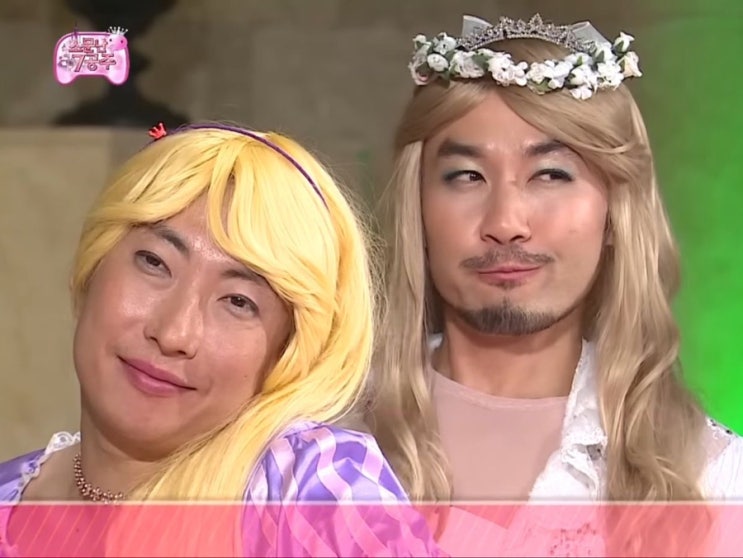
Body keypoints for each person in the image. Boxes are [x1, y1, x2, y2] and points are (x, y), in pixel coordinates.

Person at [366, 13, 743, 555]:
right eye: (467, 176)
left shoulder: (708, 479)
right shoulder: (327, 441)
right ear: (418, 209)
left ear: (614, 212)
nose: (505, 222)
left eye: (550, 175)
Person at [0, 123, 442, 557]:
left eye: (238, 302)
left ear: (287, 351)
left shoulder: (308, 489)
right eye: (155, 263)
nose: (174, 333)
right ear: (92, 265)